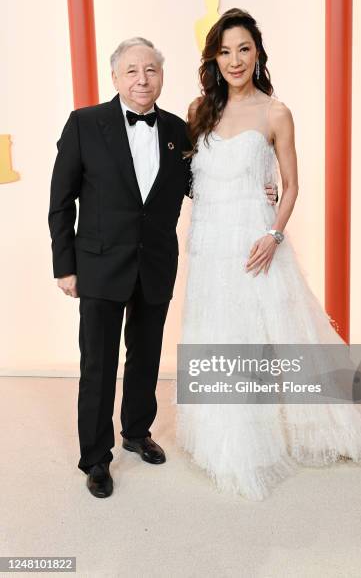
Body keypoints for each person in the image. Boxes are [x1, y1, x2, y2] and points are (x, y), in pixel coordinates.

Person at [175, 9, 361, 501]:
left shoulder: (276, 112)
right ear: (213, 58)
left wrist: (274, 233)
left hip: (255, 242)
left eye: (243, 48)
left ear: (258, 53)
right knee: (216, 330)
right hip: (209, 243)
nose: (234, 60)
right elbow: (195, 178)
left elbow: (292, 186)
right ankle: (220, 437)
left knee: (257, 335)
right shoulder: (197, 110)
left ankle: (259, 438)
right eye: (225, 51)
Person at [48, 36, 276, 498]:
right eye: (132, 71)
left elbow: (206, 184)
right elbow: (60, 202)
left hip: (154, 264)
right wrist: (64, 267)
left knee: (146, 356)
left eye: (151, 70)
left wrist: (258, 189)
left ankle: (136, 431)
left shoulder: (178, 129)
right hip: (99, 266)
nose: (142, 79)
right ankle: (95, 457)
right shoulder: (84, 124)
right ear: (114, 77)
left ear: (162, 76)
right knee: (98, 365)